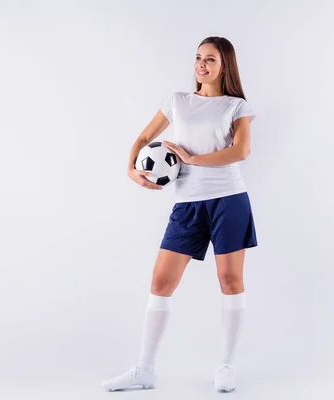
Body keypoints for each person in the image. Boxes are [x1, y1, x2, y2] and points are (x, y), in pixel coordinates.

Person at [101, 36, 257, 393]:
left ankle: (226, 367)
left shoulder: (236, 106)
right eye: (198, 58)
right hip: (187, 204)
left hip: (229, 199)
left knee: (230, 281)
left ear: (224, 66)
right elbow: (143, 137)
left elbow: (242, 151)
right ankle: (144, 370)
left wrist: (192, 159)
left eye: (210, 59)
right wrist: (131, 170)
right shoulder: (178, 102)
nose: (201, 65)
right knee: (160, 283)